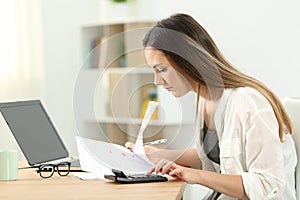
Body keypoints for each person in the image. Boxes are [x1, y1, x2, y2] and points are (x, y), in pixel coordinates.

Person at [125, 13, 297, 200]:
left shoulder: (248, 103)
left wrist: (195, 176)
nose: (157, 81)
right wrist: (158, 155)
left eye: (162, 69)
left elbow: (268, 185)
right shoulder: (204, 99)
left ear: (188, 60)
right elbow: (211, 156)